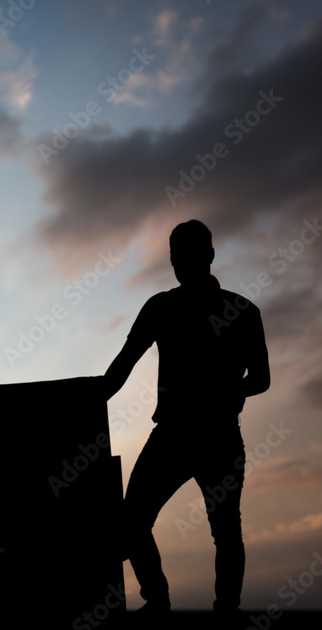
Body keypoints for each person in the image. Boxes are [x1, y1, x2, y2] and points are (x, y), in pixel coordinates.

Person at [101, 220, 270, 621]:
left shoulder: (242, 311)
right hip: (178, 435)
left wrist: (231, 392)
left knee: (224, 530)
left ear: (209, 255)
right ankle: (161, 602)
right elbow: (120, 369)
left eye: (187, 255)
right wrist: (82, 402)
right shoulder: (161, 307)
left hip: (214, 436)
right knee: (135, 521)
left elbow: (261, 379)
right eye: (176, 256)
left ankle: (220, 610)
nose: (180, 263)